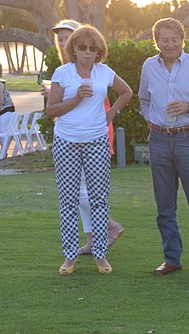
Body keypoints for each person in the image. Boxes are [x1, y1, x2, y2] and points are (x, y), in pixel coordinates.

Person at [138, 18, 189, 278]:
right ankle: (171, 259)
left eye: (174, 39)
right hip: (159, 141)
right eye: (164, 40)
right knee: (164, 207)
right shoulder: (149, 66)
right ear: (156, 42)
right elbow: (144, 99)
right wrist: (153, 121)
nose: (170, 44)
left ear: (182, 40)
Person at [45, 24, 133, 276]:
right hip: (67, 141)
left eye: (92, 49)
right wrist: (76, 99)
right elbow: (51, 110)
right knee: (68, 200)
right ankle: (70, 257)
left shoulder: (104, 72)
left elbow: (126, 92)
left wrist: (112, 113)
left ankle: (100, 254)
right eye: (82, 47)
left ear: (98, 52)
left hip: (96, 141)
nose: (87, 52)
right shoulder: (63, 73)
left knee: (99, 199)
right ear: (73, 49)